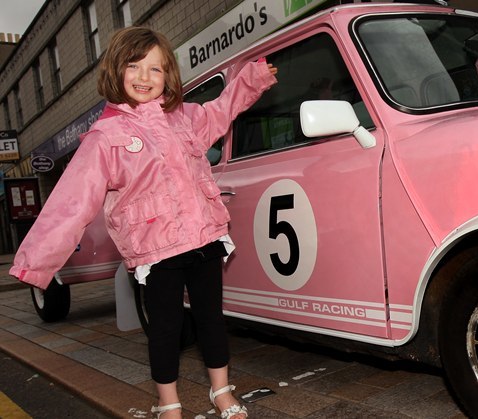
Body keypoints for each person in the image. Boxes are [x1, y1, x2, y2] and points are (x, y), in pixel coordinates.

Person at [9, 26, 278, 419]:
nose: (144, 78)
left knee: (211, 320)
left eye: (155, 69)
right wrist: (36, 260)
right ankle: (168, 402)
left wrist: (251, 79)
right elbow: (70, 202)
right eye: (134, 66)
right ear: (116, 71)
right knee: (165, 328)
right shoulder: (106, 136)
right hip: (155, 249)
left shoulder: (185, 117)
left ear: (169, 75)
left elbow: (221, 110)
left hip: (205, 237)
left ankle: (221, 390)